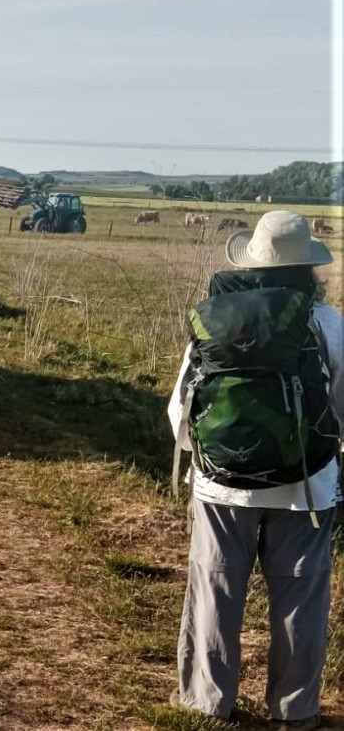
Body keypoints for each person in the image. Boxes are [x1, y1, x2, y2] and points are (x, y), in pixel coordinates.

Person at [167, 210, 342, 731]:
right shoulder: (329, 324)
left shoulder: (219, 319)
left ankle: (208, 702)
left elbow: (181, 406)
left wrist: (205, 459)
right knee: (301, 597)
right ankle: (294, 710)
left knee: (214, 587)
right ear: (310, 268)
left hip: (220, 485)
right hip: (307, 489)